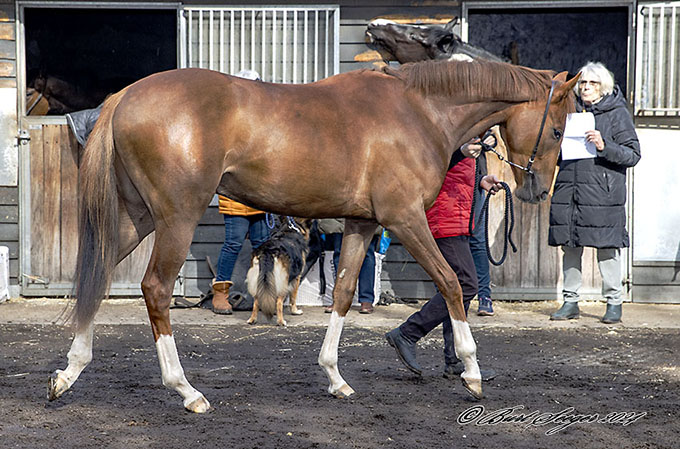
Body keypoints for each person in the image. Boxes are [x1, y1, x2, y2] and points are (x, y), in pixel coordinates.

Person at [385, 135, 501, 380]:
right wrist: (460, 151)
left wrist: (481, 181)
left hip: (456, 217)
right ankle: (408, 333)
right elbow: (430, 162)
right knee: (466, 284)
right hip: (444, 217)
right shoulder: (448, 129)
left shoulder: (464, 129)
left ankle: (454, 359)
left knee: (457, 287)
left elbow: (455, 173)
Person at [548, 62, 641, 324]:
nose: (586, 87)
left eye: (593, 83)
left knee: (607, 249)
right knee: (571, 246)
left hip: (603, 194)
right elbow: (558, 155)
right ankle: (570, 302)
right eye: (583, 83)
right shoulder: (570, 111)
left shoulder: (616, 113)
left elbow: (632, 154)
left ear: (604, 87)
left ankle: (614, 303)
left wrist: (604, 144)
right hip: (570, 191)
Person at [211, 69, 269, 315]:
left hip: (263, 195)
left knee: (263, 245)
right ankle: (220, 293)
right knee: (233, 243)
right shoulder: (228, 119)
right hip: (236, 195)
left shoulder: (266, 120)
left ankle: (265, 294)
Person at [318, 219, 380, 314]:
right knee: (340, 255)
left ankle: (366, 300)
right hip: (341, 217)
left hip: (367, 216)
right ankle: (339, 299)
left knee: (367, 255)